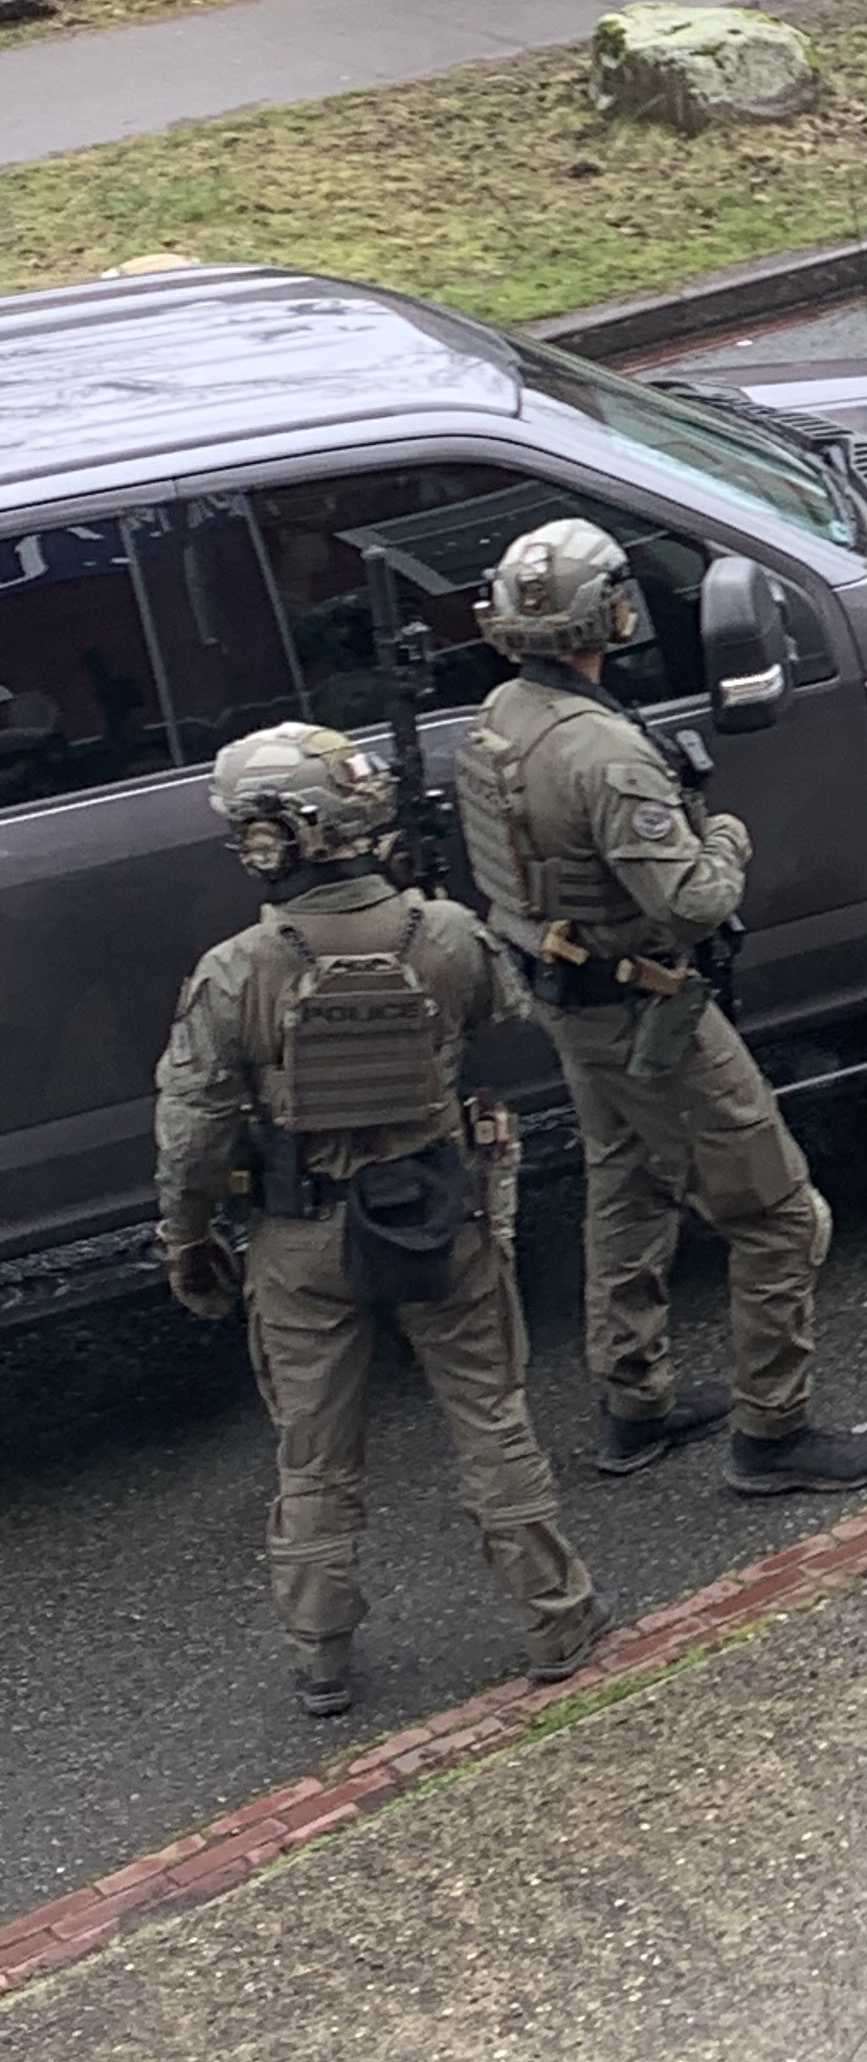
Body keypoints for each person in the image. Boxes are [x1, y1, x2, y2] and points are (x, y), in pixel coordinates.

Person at [156, 724, 600, 1723]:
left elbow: (190, 1132)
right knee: (490, 1413)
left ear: (268, 841)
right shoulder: (440, 934)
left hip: (300, 1235)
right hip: (440, 1210)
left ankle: (321, 1655)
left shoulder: (235, 971)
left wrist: (187, 1237)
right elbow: (507, 1017)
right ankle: (555, 1619)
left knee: (313, 1451)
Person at [455, 515, 867, 1500]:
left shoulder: (500, 719)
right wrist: (726, 840)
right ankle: (773, 1431)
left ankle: (634, 1400)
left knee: (628, 1183)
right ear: (607, 614)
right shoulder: (602, 753)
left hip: (571, 999)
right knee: (779, 1216)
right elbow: (692, 900)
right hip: (649, 1007)